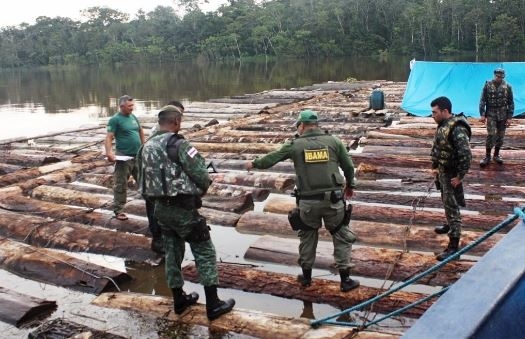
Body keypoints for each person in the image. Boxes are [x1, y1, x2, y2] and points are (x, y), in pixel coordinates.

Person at [137, 105, 235, 320]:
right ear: (176, 122)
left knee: (172, 253)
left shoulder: (145, 147)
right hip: (183, 209)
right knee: (205, 252)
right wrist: (201, 188)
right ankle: (213, 305)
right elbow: (201, 174)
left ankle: (179, 299)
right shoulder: (180, 144)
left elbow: (140, 178)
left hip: (159, 209)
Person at [244, 109, 360, 292]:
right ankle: (345, 280)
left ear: (302, 126)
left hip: (307, 204)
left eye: (298, 126)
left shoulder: (294, 145)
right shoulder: (334, 141)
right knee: (341, 235)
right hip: (333, 202)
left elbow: (271, 159)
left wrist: (253, 163)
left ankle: (306, 279)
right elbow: (348, 167)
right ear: (316, 125)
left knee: (307, 237)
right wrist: (350, 186)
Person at [430, 97, 472, 261]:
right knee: (446, 200)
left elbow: (466, 155)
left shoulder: (457, 129)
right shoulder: (443, 124)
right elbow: (439, 147)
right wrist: (435, 167)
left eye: (435, 112)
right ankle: (449, 225)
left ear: (445, 111)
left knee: (452, 206)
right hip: (443, 171)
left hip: (452, 174)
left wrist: (460, 177)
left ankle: (453, 246)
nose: (432, 115)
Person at [145, 100, 185, 253]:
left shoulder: (164, 131)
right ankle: (158, 240)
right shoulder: (160, 133)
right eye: (180, 116)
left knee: (155, 209)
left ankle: (160, 240)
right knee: (156, 211)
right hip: (158, 180)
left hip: (154, 179)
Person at [105, 95, 145, 220]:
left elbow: (140, 131)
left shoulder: (133, 117)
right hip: (124, 157)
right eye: (129, 106)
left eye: (133, 105)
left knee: (144, 181)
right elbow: (109, 137)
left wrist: (144, 146)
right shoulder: (115, 120)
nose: (132, 108)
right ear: (121, 106)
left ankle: (153, 205)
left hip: (138, 156)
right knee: (121, 183)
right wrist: (109, 152)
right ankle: (118, 210)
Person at [479, 67, 514, 166]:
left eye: (501, 76)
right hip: (491, 113)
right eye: (497, 76)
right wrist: (482, 114)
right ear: (494, 75)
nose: (499, 78)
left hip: (503, 114)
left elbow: (511, 102)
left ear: (503, 76)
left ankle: (496, 155)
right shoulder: (487, 85)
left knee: (501, 136)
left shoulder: (507, 86)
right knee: (491, 134)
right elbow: (482, 100)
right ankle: (487, 156)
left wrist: (509, 117)